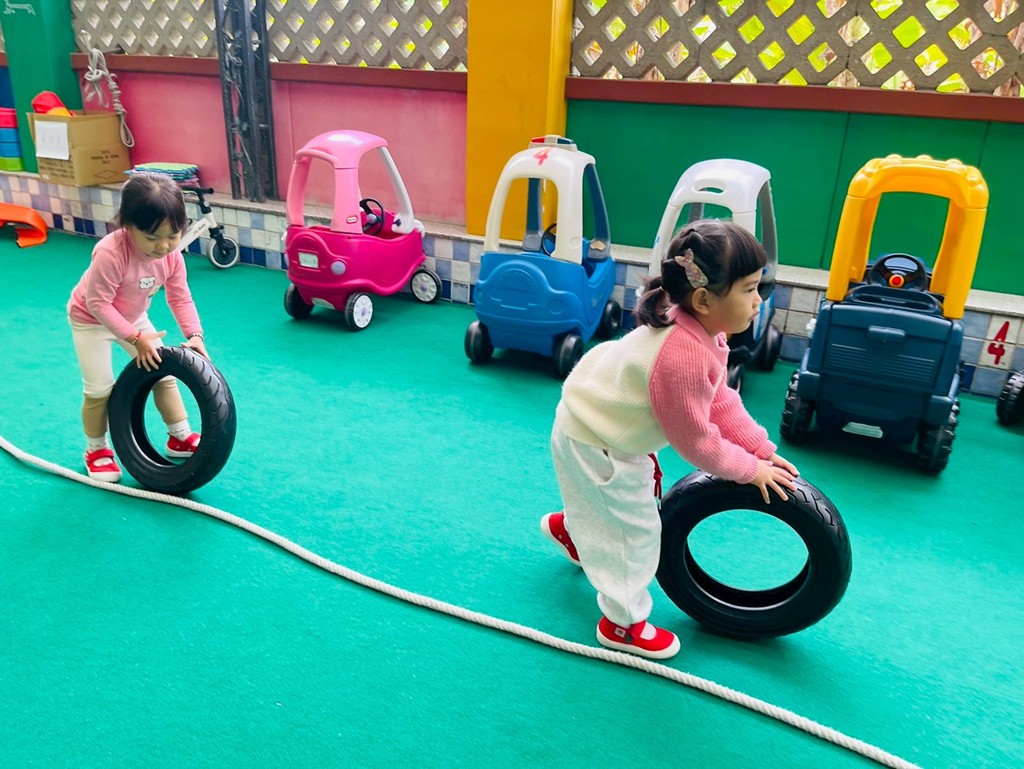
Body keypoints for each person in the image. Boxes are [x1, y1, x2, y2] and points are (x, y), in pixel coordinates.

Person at [541, 219, 799, 660]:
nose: (759, 300)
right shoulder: (682, 356)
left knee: (618, 508)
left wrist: (760, 449)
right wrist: (748, 469)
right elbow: (697, 444)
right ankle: (622, 625)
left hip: (599, 425)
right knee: (636, 534)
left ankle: (575, 529)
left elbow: (721, 400)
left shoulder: (702, 329)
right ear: (704, 299)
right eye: (749, 289)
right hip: (596, 440)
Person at [67, 172, 208, 482]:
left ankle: (179, 436)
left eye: (173, 235)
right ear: (127, 225)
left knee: (163, 374)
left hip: (133, 318)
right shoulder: (110, 253)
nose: (163, 246)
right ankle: (96, 449)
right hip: (91, 321)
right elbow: (98, 304)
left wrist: (195, 335)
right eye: (152, 237)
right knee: (99, 390)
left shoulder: (172, 256)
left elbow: (180, 298)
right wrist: (135, 338)